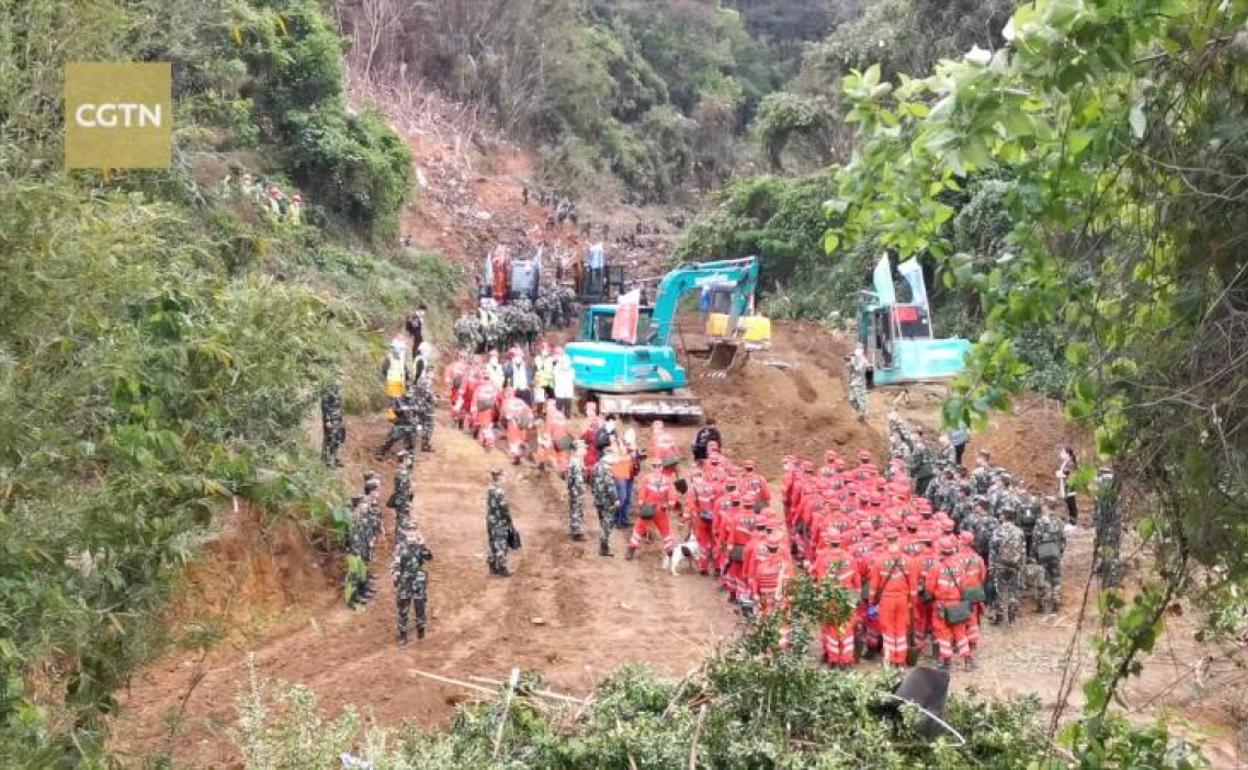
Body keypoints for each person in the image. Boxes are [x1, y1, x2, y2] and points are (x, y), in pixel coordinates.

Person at [927, 536, 975, 670]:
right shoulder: (958, 566)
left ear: (940, 551)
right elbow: (964, 586)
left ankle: (946, 661)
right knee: (960, 633)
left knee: (943, 634)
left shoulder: (935, 567)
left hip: (941, 606)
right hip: (956, 605)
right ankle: (968, 660)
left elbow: (929, 588)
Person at [868, 529, 914, 668]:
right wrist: (911, 602)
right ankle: (900, 661)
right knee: (901, 630)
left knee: (887, 629)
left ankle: (888, 659)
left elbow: (873, 586)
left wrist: (872, 602)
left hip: (886, 600)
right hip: (902, 599)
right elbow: (913, 587)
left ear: (886, 541)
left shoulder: (879, 560)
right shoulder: (909, 561)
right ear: (898, 540)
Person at [628, 459, 678, 560]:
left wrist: (669, 505)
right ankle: (631, 550)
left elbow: (672, 495)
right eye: (654, 466)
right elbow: (641, 492)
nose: (656, 468)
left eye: (658, 466)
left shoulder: (667, 480)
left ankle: (670, 554)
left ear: (661, 467)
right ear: (652, 467)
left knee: (666, 532)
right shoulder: (647, 479)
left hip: (660, 510)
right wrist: (641, 504)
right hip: (649, 509)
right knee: (639, 529)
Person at [392, 526, 433, 645]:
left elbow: (429, 557)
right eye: (409, 534)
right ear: (406, 534)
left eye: (413, 534)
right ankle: (403, 634)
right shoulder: (400, 547)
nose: (411, 537)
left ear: (417, 534)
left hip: (418, 581)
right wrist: (395, 574)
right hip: (405, 582)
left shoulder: (420, 547)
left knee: (420, 606)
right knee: (403, 608)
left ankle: (421, 629)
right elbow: (395, 564)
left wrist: (423, 544)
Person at [988, 508, 1026, 626]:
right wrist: (1022, 566)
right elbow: (1023, 550)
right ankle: (1012, 619)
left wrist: (991, 566)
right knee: (1013, 591)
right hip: (1015, 564)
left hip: (1000, 564)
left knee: (1000, 590)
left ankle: (999, 617)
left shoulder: (998, 530)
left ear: (1004, 516)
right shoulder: (1019, 532)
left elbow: (993, 550)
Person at [1030, 498, 1066, 613]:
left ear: (1046, 507)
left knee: (1042, 578)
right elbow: (1063, 540)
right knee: (1056, 578)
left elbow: (1035, 539)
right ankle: (1056, 602)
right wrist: (1060, 552)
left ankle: (1041, 604)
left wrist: (1034, 554)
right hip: (1055, 550)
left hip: (1043, 551)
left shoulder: (1041, 521)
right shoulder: (1060, 522)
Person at [1092, 467, 1122, 588]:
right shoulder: (1113, 488)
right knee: (1108, 548)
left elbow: (1101, 511)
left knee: (1110, 551)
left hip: (1108, 525)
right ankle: (1105, 570)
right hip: (1109, 525)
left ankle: (1112, 579)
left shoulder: (1105, 490)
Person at [486, 468, 515, 576]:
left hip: (490, 520)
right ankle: (502, 568)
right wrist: (509, 520)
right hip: (499, 521)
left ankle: (492, 565)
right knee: (501, 544)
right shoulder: (500, 492)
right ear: (499, 476)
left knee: (493, 543)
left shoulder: (490, 489)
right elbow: (504, 508)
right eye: (503, 476)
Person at [592, 448, 620, 556]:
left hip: (598, 499)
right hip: (607, 501)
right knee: (607, 523)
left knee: (602, 521)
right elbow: (610, 486)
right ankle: (604, 548)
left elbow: (592, 482)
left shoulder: (596, 466)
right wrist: (616, 499)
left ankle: (604, 546)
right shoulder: (607, 470)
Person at [376, 389, 418, 460]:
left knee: (410, 441)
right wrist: (399, 412)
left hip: (410, 424)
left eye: (410, 392)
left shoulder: (413, 400)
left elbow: (417, 410)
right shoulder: (397, 399)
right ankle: (380, 453)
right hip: (400, 423)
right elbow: (391, 410)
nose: (409, 394)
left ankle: (407, 456)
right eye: (407, 392)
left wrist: (414, 413)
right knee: (391, 438)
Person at [387, 452, 414, 538]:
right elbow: (402, 489)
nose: (410, 460)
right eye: (408, 458)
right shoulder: (402, 472)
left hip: (402, 499)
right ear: (404, 459)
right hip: (402, 500)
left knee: (401, 519)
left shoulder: (403, 470)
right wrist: (407, 502)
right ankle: (400, 538)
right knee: (402, 520)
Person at [566, 441, 588, 541]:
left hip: (573, 489)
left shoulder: (574, 461)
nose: (585, 450)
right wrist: (582, 491)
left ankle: (574, 529)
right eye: (583, 448)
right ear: (577, 450)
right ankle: (577, 532)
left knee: (574, 509)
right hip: (576, 490)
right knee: (577, 510)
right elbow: (578, 480)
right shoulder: (576, 462)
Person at [320, 383, 345, 468]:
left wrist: (341, 421)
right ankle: (328, 460)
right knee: (330, 439)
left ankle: (335, 458)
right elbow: (325, 408)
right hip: (331, 420)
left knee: (337, 440)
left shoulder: (337, 393)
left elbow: (339, 408)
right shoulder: (326, 394)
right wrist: (327, 421)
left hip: (338, 420)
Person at [380, 339, 407, 404]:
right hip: (392, 382)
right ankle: (392, 413)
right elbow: (384, 370)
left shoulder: (401, 359)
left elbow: (405, 371)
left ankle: (398, 413)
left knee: (401, 402)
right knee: (392, 402)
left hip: (400, 382)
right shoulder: (389, 358)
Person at [1057, 446, 1079, 526]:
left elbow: (1071, 474)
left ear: (1067, 454)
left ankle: (1073, 522)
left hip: (1070, 486)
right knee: (1069, 503)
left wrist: (1062, 475)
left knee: (1071, 503)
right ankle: (1071, 521)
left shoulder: (1070, 463)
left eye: (1063, 453)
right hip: (1067, 486)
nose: (1061, 454)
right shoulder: (1066, 462)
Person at [848, 345, 869, 421]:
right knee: (851, 399)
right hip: (852, 382)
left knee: (860, 399)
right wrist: (850, 362)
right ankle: (859, 412)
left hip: (859, 383)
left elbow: (858, 370)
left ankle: (863, 413)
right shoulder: (855, 359)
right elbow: (850, 369)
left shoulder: (863, 361)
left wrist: (853, 362)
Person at [553, 348, 575, 417]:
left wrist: (560, 362)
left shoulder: (566, 360)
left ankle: (567, 418)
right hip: (560, 387)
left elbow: (567, 368)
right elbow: (554, 373)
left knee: (567, 405)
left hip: (566, 386)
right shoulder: (555, 363)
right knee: (559, 405)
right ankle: (558, 418)